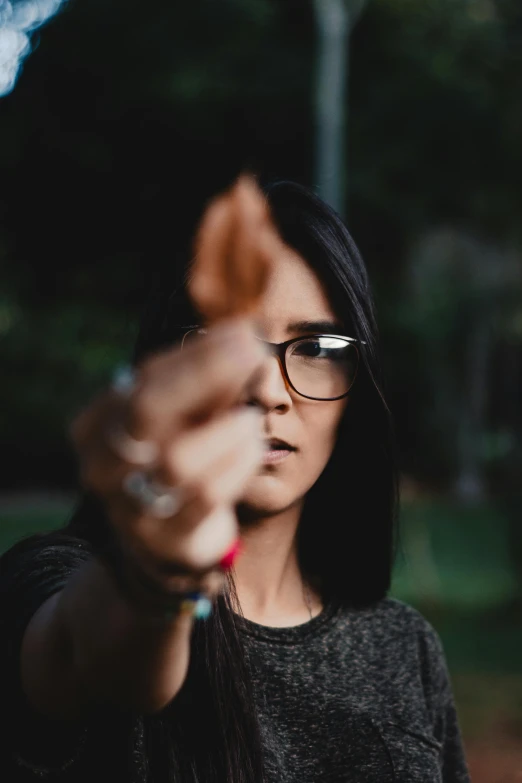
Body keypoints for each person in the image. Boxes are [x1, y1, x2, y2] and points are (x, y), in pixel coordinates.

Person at [0, 180, 470, 783]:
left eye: (317, 347)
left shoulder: (405, 647)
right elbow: (91, 649)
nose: (268, 391)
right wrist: (156, 576)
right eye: (232, 343)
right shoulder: (48, 583)